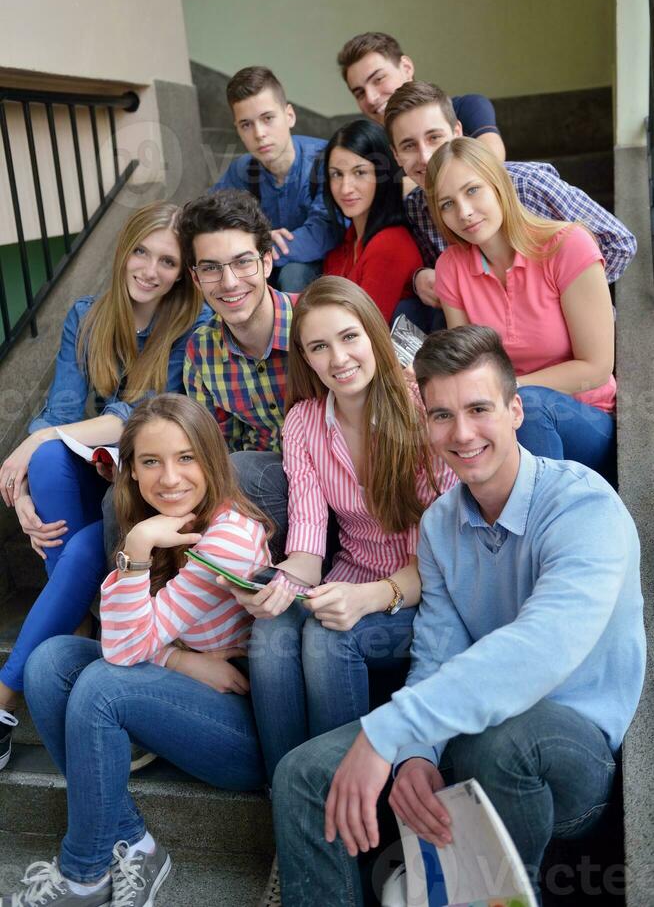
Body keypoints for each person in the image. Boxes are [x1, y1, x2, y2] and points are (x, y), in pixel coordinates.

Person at [271, 325, 645, 907]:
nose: (462, 433)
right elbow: (437, 652)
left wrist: (393, 732)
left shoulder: (584, 506)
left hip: (572, 751)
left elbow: (538, 651)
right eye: (442, 415)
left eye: (479, 409)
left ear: (515, 409)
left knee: (493, 744)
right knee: (302, 774)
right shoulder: (441, 522)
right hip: (471, 728)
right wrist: (417, 753)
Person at [2, 393, 271, 907]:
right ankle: (134, 843)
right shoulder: (160, 524)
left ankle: (83, 875)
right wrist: (179, 657)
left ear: (211, 458)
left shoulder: (226, 537)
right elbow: (128, 638)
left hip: (239, 734)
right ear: (131, 472)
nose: (169, 478)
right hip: (180, 690)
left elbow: (122, 652)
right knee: (50, 662)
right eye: (151, 461)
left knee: (102, 685)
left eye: (185, 457)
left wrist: (138, 549)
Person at [0, 203, 210, 766]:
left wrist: (34, 440)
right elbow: (60, 409)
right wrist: (20, 491)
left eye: (168, 261)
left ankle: (6, 692)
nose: (150, 269)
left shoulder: (193, 324)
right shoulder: (87, 315)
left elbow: (134, 414)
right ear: (124, 250)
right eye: (142, 252)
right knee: (48, 471)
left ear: (183, 271)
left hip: (152, 472)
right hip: (101, 461)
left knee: (88, 540)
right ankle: (84, 623)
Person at [227, 276, 457, 786]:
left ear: (373, 335)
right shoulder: (305, 423)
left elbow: (448, 555)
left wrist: (371, 596)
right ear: (306, 358)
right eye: (319, 347)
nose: (339, 358)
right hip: (350, 578)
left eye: (349, 337)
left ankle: (335, 798)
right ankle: (287, 795)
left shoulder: (425, 408)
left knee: (329, 638)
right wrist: (273, 586)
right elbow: (307, 549)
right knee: (272, 629)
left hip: (425, 593)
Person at [427, 136, 617, 481]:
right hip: (503, 419)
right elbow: (468, 367)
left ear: (499, 185)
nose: (464, 212)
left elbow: (597, 367)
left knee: (528, 406)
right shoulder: (450, 268)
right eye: (447, 204)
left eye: (472, 190)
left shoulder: (568, 245)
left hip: (586, 417)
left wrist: (507, 390)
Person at [384, 81, 637, 321]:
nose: (426, 156)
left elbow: (618, 242)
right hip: (496, 344)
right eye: (408, 146)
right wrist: (418, 278)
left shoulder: (527, 184)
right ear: (396, 155)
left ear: (458, 132)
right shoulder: (417, 207)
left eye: (434, 137)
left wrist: (567, 295)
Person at [178, 189, 296, 555]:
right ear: (196, 279)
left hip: (336, 487)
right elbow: (215, 449)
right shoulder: (202, 350)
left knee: (242, 470)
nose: (229, 283)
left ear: (267, 262)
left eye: (242, 262)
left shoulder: (316, 324)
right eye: (212, 268)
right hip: (257, 498)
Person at [211, 66, 339, 291]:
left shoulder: (326, 160)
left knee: (294, 273)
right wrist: (257, 244)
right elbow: (211, 217)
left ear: (289, 115)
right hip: (261, 262)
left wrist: (256, 249)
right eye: (246, 124)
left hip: (322, 265)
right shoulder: (242, 171)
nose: (259, 134)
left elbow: (322, 233)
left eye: (267, 118)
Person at [337, 31, 505, 160]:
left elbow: (491, 160)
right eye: (359, 93)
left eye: (379, 79)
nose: (371, 98)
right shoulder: (368, 146)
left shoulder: (467, 107)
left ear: (406, 68)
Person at [322, 119, 422, 323]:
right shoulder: (346, 244)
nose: (345, 188)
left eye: (360, 172)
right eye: (337, 174)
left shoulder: (390, 243)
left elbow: (363, 329)